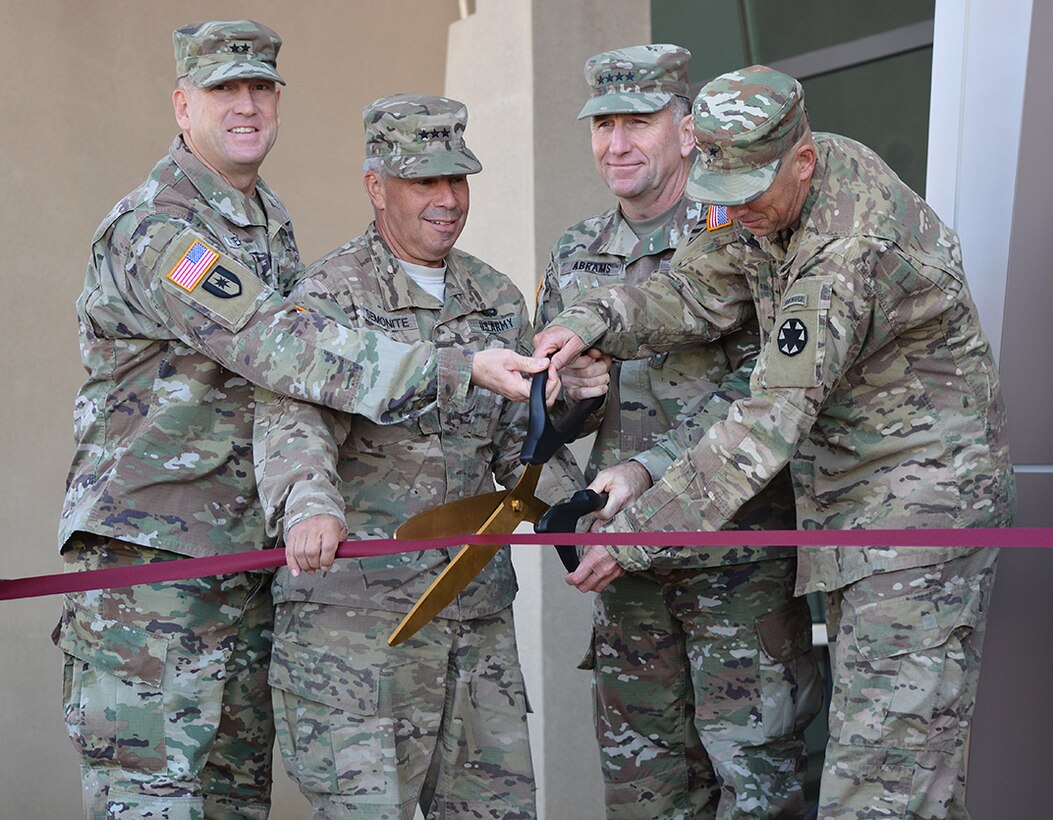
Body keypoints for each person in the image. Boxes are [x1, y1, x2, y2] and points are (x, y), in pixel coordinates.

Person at [53, 21, 552, 819]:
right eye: (224, 90)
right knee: (152, 800)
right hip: (155, 563)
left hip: (244, 561)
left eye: (260, 88)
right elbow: (278, 346)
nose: (245, 105)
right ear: (183, 105)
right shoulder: (161, 232)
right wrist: (457, 367)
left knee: (233, 798)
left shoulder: (264, 219)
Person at [535, 64, 1015, 819]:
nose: (739, 213)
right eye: (721, 195)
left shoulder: (843, 249)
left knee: (883, 785)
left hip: (917, 517)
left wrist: (635, 535)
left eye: (749, 195)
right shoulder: (766, 195)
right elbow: (695, 289)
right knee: (900, 770)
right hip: (854, 515)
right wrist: (590, 320)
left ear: (802, 158)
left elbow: (765, 423)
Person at [253, 93, 584, 819]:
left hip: (473, 618)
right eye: (423, 182)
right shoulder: (325, 296)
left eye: (455, 180)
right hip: (359, 631)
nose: (445, 200)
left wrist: (578, 516)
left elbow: (515, 443)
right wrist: (308, 508)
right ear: (376, 188)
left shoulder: (493, 295)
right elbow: (292, 422)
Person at [535, 46, 820, 818]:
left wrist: (648, 474)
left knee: (757, 780)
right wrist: (571, 401)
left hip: (735, 561)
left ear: (687, 131)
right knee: (644, 789)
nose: (617, 143)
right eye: (603, 124)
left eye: (638, 121)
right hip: (624, 572)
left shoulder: (744, 226)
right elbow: (551, 420)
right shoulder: (574, 252)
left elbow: (765, 387)